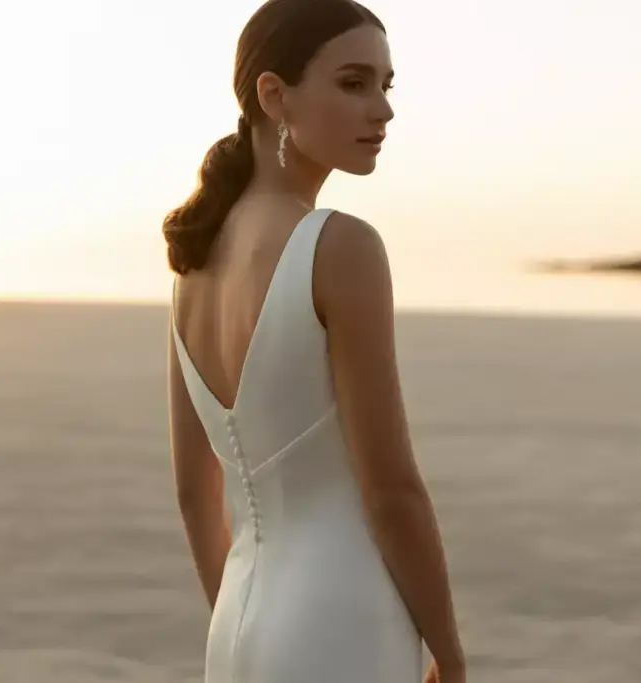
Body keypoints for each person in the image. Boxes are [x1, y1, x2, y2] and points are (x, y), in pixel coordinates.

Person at [162, 1, 465, 680]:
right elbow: (391, 488)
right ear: (275, 95)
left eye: (386, 87)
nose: (382, 111)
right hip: (343, 617)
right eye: (354, 83)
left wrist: (238, 619)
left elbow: (193, 490)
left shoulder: (193, 264)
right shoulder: (340, 246)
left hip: (238, 621)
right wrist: (447, 644)